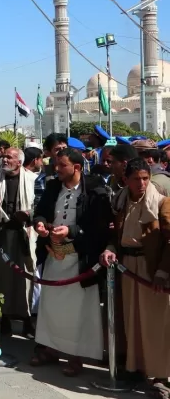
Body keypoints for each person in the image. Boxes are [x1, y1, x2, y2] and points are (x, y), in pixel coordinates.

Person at [31, 148, 110, 376]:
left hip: (80, 259)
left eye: (62, 165)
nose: (57, 169)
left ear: (76, 167)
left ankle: (75, 357)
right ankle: (51, 349)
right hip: (54, 255)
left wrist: (71, 230)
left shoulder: (94, 189)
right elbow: (40, 212)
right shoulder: (54, 187)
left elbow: (99, 225)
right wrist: (41, 225)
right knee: (51, 307)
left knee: (78, 312)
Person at [101, 158, 170, 396]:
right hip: (126, 266)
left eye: (145, 178)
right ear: (126, 180)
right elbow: (115, 234)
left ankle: (161, 375)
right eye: (136, 179)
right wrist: (110, 248)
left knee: (156, 324)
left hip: (152, 268)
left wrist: (163, 271)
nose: (141, 183)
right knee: (132, 320)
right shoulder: (120, 202)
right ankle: (135, 368)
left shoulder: (161, 202)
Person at [0, 147, 37, 338]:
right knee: (4, 278)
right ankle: (5, 320)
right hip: (4, 232)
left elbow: (39, 205)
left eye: (9, 157)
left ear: (19, 162)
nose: (4, 159)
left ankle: (27, 321)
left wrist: (29, 214)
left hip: (25, 233)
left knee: (26, 277)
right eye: (4, 156)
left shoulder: (32, 180)